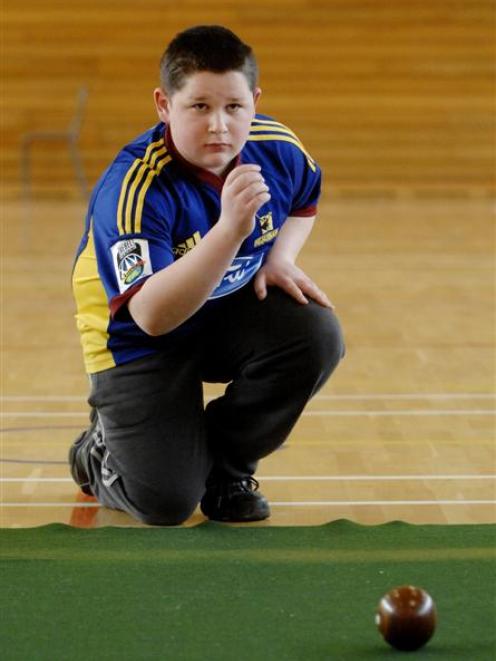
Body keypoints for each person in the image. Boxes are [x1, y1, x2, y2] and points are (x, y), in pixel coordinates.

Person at [70, 25, 344, 526]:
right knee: (165, 503)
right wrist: (230, 231)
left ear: (254, 102)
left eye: (234, 107)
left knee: (315, 333)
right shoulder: (133, 189)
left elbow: (306, 199)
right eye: (199, 107)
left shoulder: (276, 147)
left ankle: (227, 469)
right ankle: (99, 450)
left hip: (221, 310)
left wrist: (280, 257)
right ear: (163, 104)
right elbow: (152, 316)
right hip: (137, 338)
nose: (219, 125)